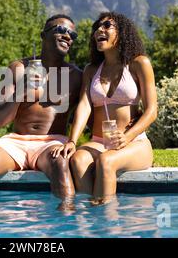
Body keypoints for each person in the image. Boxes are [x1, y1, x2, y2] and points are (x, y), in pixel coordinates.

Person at [0, 14, 82, 203]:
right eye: (61, 30)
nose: (67, 36)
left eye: (72, 34)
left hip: (51, 142)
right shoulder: (18, 68)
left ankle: (67, 226)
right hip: (16, 142)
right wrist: (21, 91)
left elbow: (91, 110)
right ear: (43, 35)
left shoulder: (76, 76)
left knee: (61, 164)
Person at [51, 12, 157, 205]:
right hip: (99, 141)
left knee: (106, 161)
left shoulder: (139, 63)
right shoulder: (92, 70)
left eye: (107, 25)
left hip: (135, 142)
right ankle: (90, 220)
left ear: (122, 33)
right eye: (97, 27)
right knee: (77, 160)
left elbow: (152, 111)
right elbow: (84, 106)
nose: (100, 29)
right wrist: (72, 141)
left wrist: (127, 137)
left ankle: (108, 223)